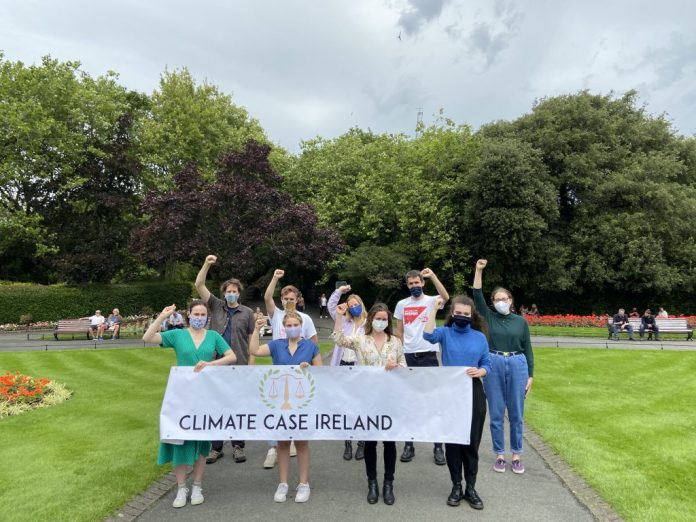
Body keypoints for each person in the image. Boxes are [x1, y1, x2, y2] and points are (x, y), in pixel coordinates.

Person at [143, 301, 237, 508]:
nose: (199, 317)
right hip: (181, 396)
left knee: (201, 440)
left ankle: (197, 485)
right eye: (196, 314)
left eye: (203, 314)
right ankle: (181, 487)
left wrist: (210, 364)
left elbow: (232, 356)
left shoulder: (213, 336)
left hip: (204, 396)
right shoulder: (178, 335)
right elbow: (147, 338)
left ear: (207, 317)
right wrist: (162, 317)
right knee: (180, 439)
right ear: (189, 315)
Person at [332, 302, 405, 505]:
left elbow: (404, 367)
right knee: (370, 442)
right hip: (367, 398)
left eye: (384, 319)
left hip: (389, 398)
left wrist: (396, 365)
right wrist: (339, 317)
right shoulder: (360, 340)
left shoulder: (395, 342)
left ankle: (388, 483)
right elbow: (339, 339)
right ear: (371, 319)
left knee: (389, 442)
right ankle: (372, 482)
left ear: (388, 321)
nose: (381, 322)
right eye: (378, 318)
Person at [424, 295, 491, 510]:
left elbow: (487, 363)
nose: (462, 316)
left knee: (471, 443)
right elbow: (427, 335)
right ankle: (456, 486)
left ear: (472, 315)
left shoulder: (479, 337)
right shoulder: (445, 333)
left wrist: (481, 371)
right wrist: (434, 309)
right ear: (452, 314)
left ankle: (471, 488)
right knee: (453, 442)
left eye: (466, 314)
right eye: (458, 313)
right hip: (450, 392)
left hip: (473, 391)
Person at [249, 311, 322, 503]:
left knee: (301, 443)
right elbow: (254, 351)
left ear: (301, 325)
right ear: (284, 327)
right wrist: (256, 330)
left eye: (295, 325)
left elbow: (322, 374)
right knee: (282, 442)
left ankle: (304, 484)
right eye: (288, 325)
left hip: (303, 401)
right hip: (279, 401)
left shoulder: (311, 347)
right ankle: (283, 483)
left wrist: (309, 368)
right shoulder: (276, 345)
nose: (292, 328)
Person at [473, 259, 534, 474]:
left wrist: (531, 375)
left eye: (504, 298)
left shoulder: (520, 322)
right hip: (494, 361)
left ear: (510, 300)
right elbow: (477, 294)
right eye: (497, 299)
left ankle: (516, 455)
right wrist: (478, 270)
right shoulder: (488, 317)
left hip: (518, 363)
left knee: (516, 412)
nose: (501, 302)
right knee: (497, 412)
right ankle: (500, 454)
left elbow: (528, 348)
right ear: (493, 302)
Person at [195, 255, 256, 465]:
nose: (231, 294)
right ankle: (216, 447)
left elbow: (252, 340)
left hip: (239, 365)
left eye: (234, 291)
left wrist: (251, 366)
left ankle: (238, 445)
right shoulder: (215, 306)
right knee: (216, 405)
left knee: (237, 406)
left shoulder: (247, 313)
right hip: (216, 364)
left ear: (239, 293)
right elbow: (199, 284)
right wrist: (207, 264)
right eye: (228, 291)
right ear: (224, 293)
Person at [263, 269, 318, 468]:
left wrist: (311, 365)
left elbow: (314, 343)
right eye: (285, 299)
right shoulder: (276, 315)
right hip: (279, 367)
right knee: (275, 408)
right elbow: (267, 297)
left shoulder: (305, 319)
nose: (288, 301)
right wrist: (275, 278)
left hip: (300, 370)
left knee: (296, 406)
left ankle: (293, 439)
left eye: (292, 299)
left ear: (297, 299)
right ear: (282, 300)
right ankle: (273, 448)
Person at [328, 284, 368, 461]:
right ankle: (348, 442)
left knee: (361, 406)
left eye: (355, 304)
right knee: (345, 405)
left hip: (360, 368)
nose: (353, 307)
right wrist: (339, 291)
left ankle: (362, 442)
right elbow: (332, 307)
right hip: (343, 365)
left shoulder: (369, 324)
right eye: (351, 306)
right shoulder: (345, 321)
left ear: (361, 304)